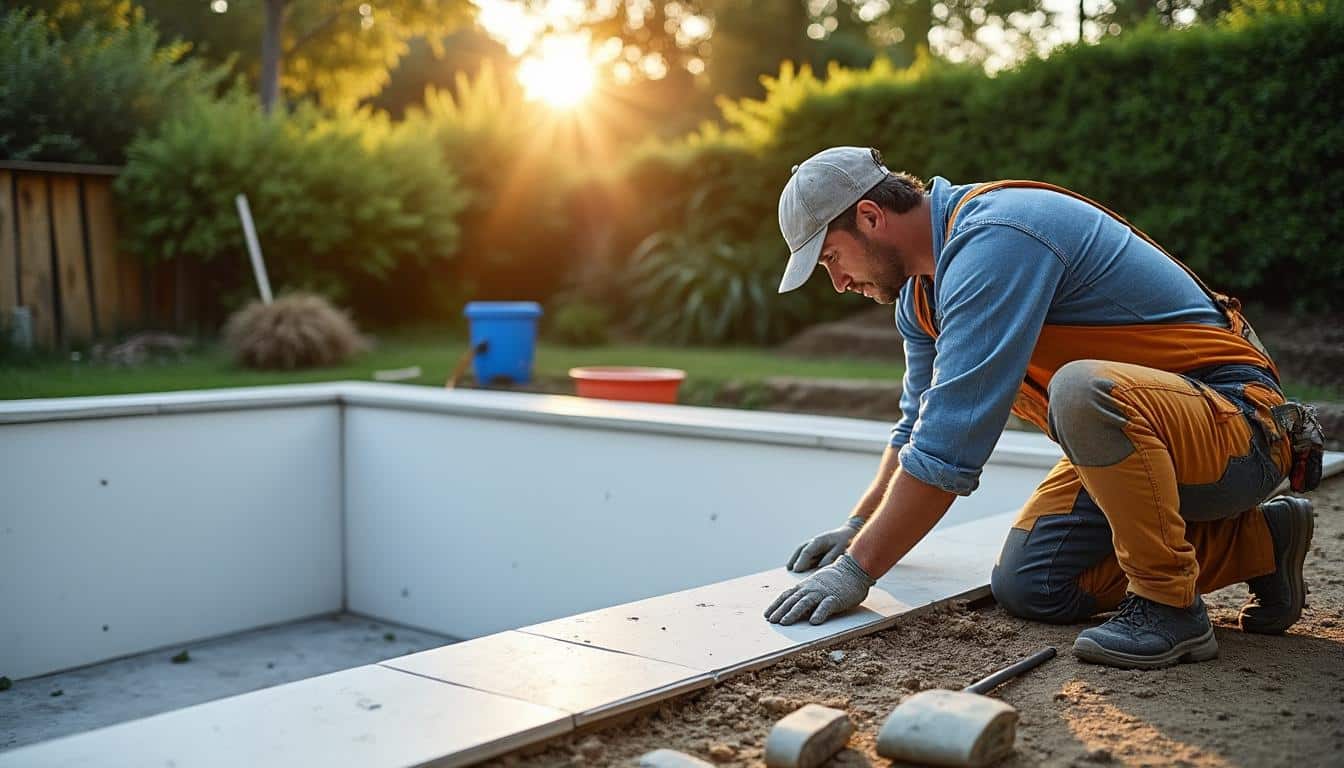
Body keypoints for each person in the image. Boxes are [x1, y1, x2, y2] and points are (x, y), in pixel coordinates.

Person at [763, 146, 1324, 669]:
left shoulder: (997, 238)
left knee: (1081, 389)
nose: (837, 283)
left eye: (832, 258)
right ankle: (1263, 543)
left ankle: (1169, 606)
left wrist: (856, 570)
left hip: (1239, 429)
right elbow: (916, 424)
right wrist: (858, 525)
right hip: (1143, 443)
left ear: (869, 216)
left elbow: (947, 448)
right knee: (1034, 585)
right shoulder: (921, 295)